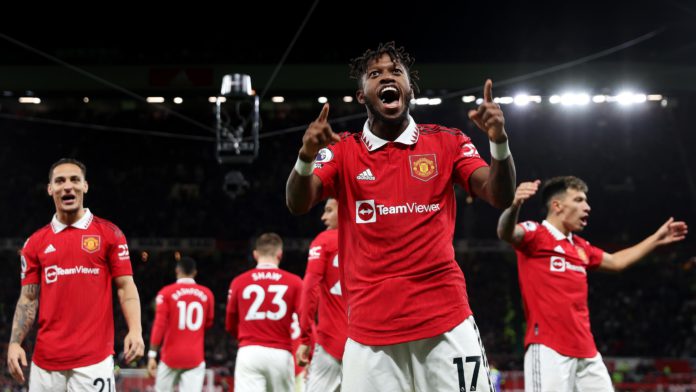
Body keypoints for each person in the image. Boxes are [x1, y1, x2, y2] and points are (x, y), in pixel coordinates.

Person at [285, 42, 516, 391]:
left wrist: (499, 142)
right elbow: (297, 202)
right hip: (368, 335)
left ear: (409, 88)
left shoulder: (448, 142)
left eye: (396, 72)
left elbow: (500, 195)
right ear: (362, 95)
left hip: (446, 324)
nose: (386, 77)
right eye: (374, 74)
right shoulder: (342, 151)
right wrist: (305, 156)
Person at [497, 176, 688, 391]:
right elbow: (506, 232)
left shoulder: (581, 247)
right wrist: (514, 205)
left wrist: (656, 239)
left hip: (587, 351)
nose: (587, 207)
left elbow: (617, 262)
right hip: (549, 348)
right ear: (557, 205)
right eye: (579, 200)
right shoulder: (536, 234)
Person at [6, 158, 144, 390]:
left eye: (74, 180)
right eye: (60, 181)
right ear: (50, 189)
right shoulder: (35, 243)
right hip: (45, 364)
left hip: (94, 362)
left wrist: (136, 330)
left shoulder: (110, 234)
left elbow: (125, 287)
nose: (67, 186)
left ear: (85, 186)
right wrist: (14, 342)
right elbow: (28, 298)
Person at [225, 233, 303, 392]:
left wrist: (244, 337)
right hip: (281, 353)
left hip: (249, 352)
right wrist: (306, 343)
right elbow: (304, 318)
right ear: (280, 254)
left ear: (255, 254)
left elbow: (230, 323)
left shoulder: (239, 282)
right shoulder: (294, 282)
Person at [295, 198, 346, 392]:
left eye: (329, 210)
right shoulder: (369, 239)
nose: (323, 217)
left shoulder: (324, 241)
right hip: (366, 344)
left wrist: (305, 339)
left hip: (332, 342)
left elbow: (309, 289)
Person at [147, 256, 215, 392]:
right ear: (195, 272)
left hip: (170, 357)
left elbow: (159, 325)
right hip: (195, 358)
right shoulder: (207, 294)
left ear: (177, 270)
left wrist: (152, 355)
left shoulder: (166, 293)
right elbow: (208, 323)